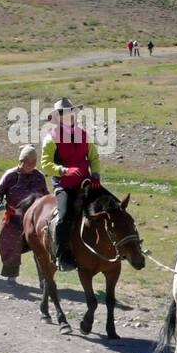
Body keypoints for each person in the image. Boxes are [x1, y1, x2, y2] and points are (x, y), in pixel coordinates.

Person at [39, 97, 101, 271]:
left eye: (72, 113)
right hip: (64, 185)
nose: (71, 116)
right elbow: (46, 165)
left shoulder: (83, 134)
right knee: (65, 216)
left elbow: (94, 157)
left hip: (86, 182)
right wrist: (64, 171)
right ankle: (61, 255)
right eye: (66, 114)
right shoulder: (51, 139)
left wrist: (95, 174)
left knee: (111, 206)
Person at [0, 145, 49, 282]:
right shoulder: (10, 175)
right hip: (14, 218)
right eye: (28, 162)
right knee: (10, 246)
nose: (31, 165)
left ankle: (44, 280)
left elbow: (45, 195)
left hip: (34, 220)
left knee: (40, 249)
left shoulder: (39, 176)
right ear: (21, 161)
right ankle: (12, 276)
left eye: (34, 163)